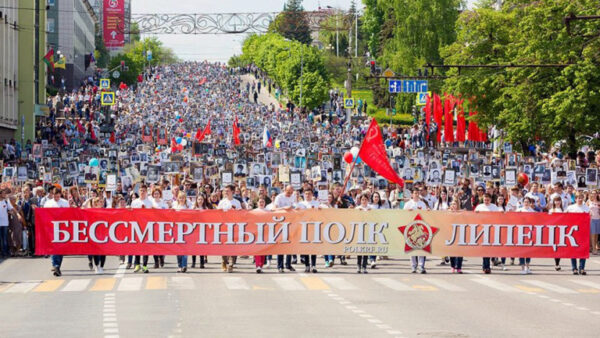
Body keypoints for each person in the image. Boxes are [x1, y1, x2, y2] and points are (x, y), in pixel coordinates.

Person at [295, 189, 323, 273]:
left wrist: (320, 210)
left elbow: (320, 213)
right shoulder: (301, 204)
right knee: (306, 248)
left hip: (314, 227)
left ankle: (313, 265)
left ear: (312, 194)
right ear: (303, 195)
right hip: (304, 227)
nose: (307, 195)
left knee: (313, 247)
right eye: (306, 193)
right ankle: (307, 265)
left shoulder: (316, 203)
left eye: (309, 194)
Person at [43, 187, 70, 276]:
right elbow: (44, 215)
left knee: (60, 248)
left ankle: (58, 265)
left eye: (58, 196)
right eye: (55, 196)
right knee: (54, 247)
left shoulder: (65, 203)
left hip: (62, 228)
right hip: (52, 228)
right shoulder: (48, 203)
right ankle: (56, 265)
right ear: (52, 195)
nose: (57, 198)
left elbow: (68, 215)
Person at [217, 184, 241, 273]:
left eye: (227, 191)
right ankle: (224, 261)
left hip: (234, 226)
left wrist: (237, 212)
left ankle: (231, 264)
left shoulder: (237, 202)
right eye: (225, 191)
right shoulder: (222, 202)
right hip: (224, 226)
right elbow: (218, 213)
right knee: (224, 245)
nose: (226, 192)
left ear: (232, 192)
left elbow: (241, 213)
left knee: (234, 246)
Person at [403, 189, 428, 273]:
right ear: (412, 195)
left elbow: (426, 214)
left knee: (421, 247)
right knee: (412, 247)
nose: (416, 194)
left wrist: (427, 212)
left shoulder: (422, 204)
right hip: (411, 228)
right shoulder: (408, 204)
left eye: (418, 193)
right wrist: (407, 212)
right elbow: (402, 214)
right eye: (415, 193)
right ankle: (413, 266)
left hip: (421, 227)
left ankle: (421, 266)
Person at [474, 193, 501, 274]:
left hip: (491, 229)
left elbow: (498, 217)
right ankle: (486, 267)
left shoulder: (494, 207)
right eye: (485, 200)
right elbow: (473, 216)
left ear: (490, 199)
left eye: (488, 200)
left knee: (489, 249)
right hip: (482, 229)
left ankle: (486, 266)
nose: (486, 201)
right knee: (484, 249)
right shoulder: (479, 206)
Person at [273, 185, 297, 273]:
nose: (290, 194)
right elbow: (274, 209)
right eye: (288, 192)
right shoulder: (279, 197)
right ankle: (280, 265)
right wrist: (284, 208)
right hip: (280, 223)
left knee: (289, 245)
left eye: (291, 192)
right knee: (281, 245)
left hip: (290, 223)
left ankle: (288, 264)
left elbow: (294, 206)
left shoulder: (293, 196)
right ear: (284, 190)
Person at [565, 192, 589, 275]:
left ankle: (582, 268)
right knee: (573, 250)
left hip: (583, 231)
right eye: (578, 198)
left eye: (581, 197)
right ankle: (574, 268)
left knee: (583, 251)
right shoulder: (570, 208)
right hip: (573, 232)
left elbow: (589, 218)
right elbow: (564, 217)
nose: (580, 199)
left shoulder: (586, 208)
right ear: (575, 199)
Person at [131, 185, 153, 273]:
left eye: (144, 190)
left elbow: (152, 214)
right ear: (138, 191)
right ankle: (137, 265)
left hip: (146, 227)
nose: (142, 192)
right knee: (137, 246)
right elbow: (132, 214)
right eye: (141, 190)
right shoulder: (135, 202)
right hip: (136, 226)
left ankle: (144, 265)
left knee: (145, 247)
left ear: (146, 192)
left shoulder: (149, 202)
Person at [173, 191, 192, 272]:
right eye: (180, 197)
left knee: (185, 249)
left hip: (186, 230)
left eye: (183, 198)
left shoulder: (188, 206)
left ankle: (184, 265)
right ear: (178, 198)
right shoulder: (175, 205)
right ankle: (179, 266)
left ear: (185, 198)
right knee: (178, 249)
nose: (181, 199)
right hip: (177, 229)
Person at [516, 197, 535, 274]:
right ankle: (522, 268)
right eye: (525, 202)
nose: (526, 203)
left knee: (528, 251)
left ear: (530, 203)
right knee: (521, 251)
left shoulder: (532, 211)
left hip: (529, 232)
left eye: (527, 202)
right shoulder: (519, 210)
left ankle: (527, 267)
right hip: (520, 232)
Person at [192, 193, 211, 269]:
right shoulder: (193, 208)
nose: (200, 201)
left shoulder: (206, 208)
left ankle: (201, 262)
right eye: (199, 199)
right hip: (194, 229)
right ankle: (193, 262)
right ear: (196, 200)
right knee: (194, 247)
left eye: (202, 199)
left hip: (203, 229)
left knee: (201, 247)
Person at [355, 193, 372, 273]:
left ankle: (364, 266)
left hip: (368, 230)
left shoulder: (370, 208)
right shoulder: (357, 208)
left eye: (365, 199)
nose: (364, 201)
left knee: (365, 250)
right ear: (360, 200)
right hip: (359, 230)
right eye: (362, 199)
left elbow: (375, 218)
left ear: (367, 200)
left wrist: (371, 213)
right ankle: (358, 265)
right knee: (359, 249)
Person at [548, 196, 564, 271]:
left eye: (559, 201)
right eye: (556, 201)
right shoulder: (552, 210)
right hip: (554, 230)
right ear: (554, 202)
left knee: (560, 248)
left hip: (562, 230)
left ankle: (558, 263)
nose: (557, 202)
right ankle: (556, 263)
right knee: (556, 247)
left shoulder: (563, 210)